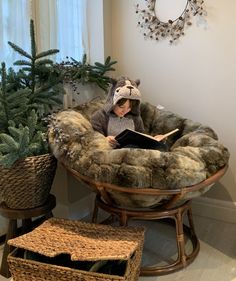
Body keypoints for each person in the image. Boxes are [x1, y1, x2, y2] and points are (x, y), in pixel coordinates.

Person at [91, 77, 164, 148]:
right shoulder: (99, 117)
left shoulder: (135, 118)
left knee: (162, 147)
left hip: (134, 152)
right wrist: (105, 140)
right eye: (121, 107)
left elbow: (141, 137)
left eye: (129, 107)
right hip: (112, 153)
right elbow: (93, 139)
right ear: (112, 102)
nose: (125, 111)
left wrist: (154, 139)